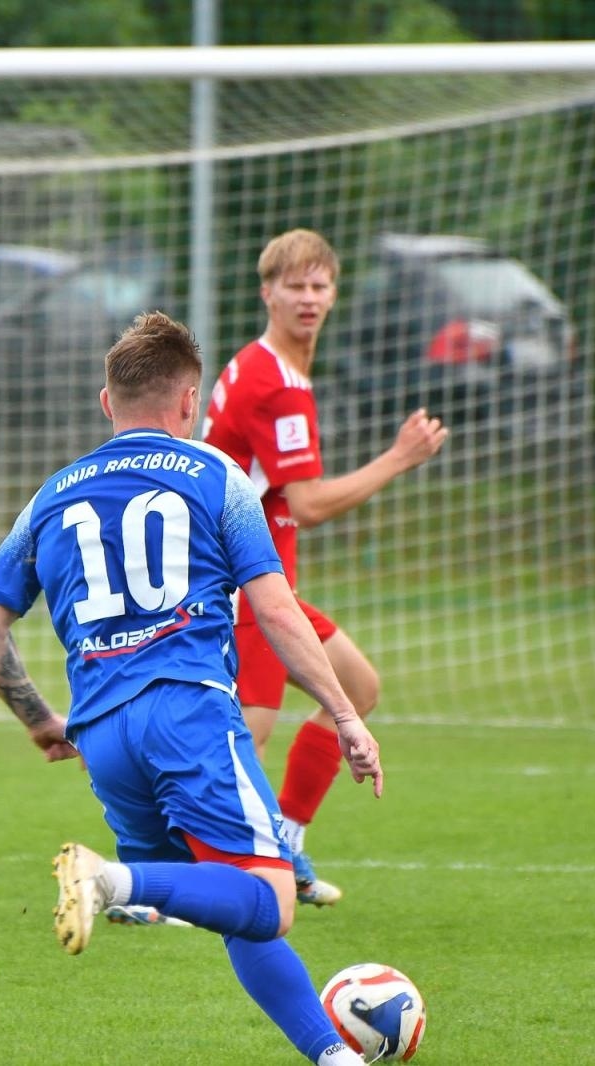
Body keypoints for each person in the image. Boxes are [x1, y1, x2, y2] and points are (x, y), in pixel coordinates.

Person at [0, 311, 381, 1064]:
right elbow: (277, 611)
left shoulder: (50, 496)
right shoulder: (217, 475)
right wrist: (346, 713)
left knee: (233, 904)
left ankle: (334, 1056)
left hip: (101, 735)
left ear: (106, 402)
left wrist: (38, 721)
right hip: (187, 712)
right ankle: (108, 878)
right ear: (189, 403)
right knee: (271, 898)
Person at [202, 228, 446, 907]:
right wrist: (399, 458)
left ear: (333, 294)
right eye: (295, 286)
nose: (308, 298)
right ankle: (165, 874)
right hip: (239, 577)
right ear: (267, 293)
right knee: (244, 732)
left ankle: (285, 839)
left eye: (319, 286)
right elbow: (307, 504)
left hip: (259, 572)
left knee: (357, 688)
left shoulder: (267, 365)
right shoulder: (275, 383)